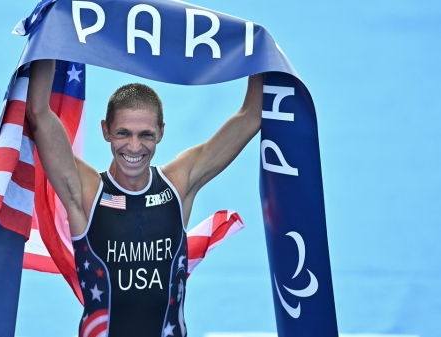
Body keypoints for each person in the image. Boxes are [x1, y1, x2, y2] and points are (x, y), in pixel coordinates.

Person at [25, 59, 263, 337]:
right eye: (123, 133)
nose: (134, 147)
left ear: (161, 132)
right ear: (105, 130)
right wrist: (49, 41)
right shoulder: (85, 192)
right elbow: (39, 114)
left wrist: (257, 50)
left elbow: (251, 116)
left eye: (146, 135)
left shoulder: (178, 184)